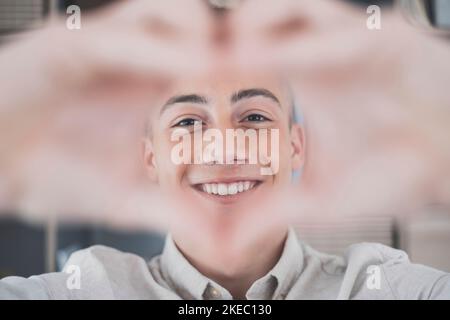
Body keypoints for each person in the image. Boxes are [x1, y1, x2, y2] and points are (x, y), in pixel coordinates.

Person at [0, 0, 449, 299]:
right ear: (151, 158)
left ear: (296, 147)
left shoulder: (382, 287)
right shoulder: (87, 290)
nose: (224, 149)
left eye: (254, 117)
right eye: (188, 123)